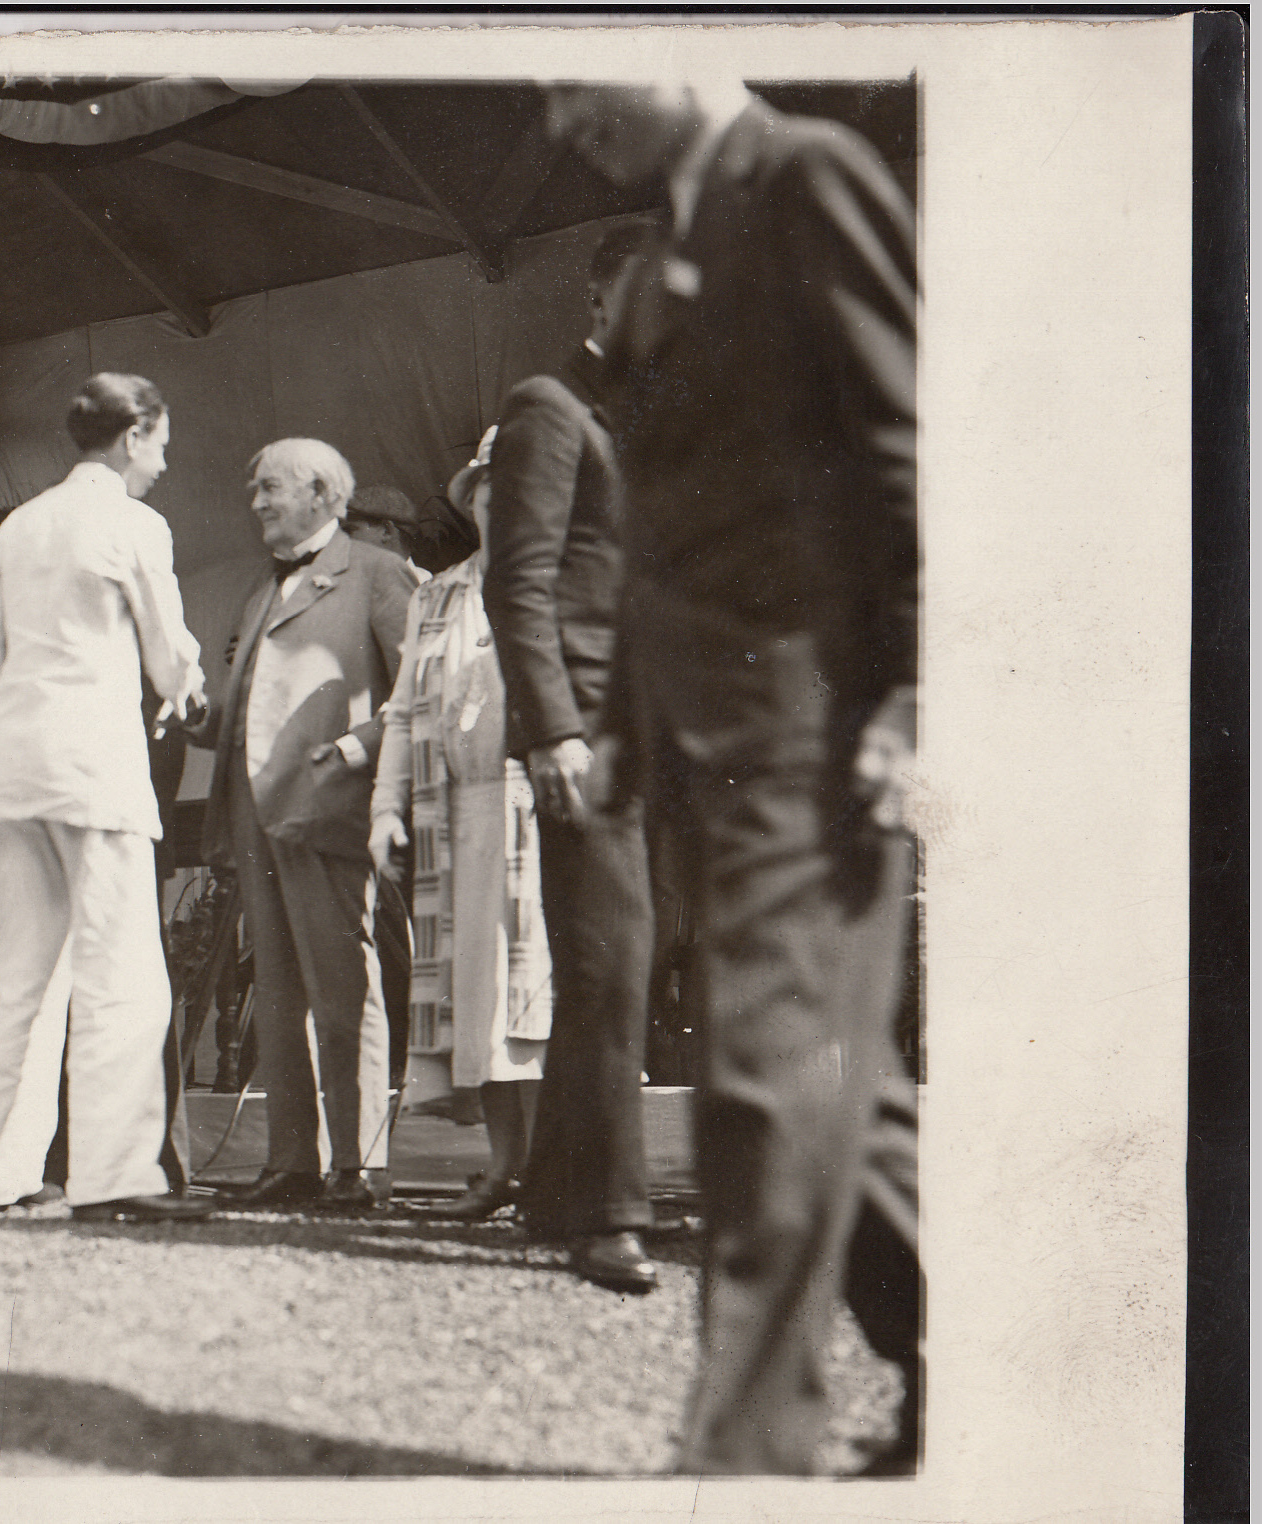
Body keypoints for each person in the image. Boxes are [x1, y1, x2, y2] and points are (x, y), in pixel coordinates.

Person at [546, 76, 921, 1474]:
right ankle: (966, 1349)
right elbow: (657, 539)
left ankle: (746, 1459)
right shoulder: (656, 266)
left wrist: (920, 687)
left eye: (574, 77)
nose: (555, 119)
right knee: (836, 1076)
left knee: (767, 1073)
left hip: (813, 722)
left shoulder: (808, 176)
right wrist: (628, 741)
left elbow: (904, 440)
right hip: (695, 741)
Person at [0, 372, 212, 1224]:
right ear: (134, 434)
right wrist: (190, 685)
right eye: (162, 442)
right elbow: (170, 656)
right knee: (123, 975)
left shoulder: (19, 527)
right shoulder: (135, 522)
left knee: (24, 978)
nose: (166, 462)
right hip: (93, 771)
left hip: (8, 772)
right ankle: (114, 1174)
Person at [480, 223, 663, 1295]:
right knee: (608, 964)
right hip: (585, 730)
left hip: (662, 731)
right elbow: (522, 583)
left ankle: (555, 1190)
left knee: (619, 960)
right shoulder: (549, 408)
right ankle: (608, 1219)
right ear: (601, 300)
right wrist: (551, 728)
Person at [195, 439, 417, 1214]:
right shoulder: (262, 590)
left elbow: (418, 697)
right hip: (258, 817)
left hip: (325, 809)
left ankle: (359, 1166)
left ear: (325, 493)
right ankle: (293, 1162)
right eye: (254, 488)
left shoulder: (380, 574)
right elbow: (247, 707)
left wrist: (351, 752)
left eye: (271, 489)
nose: (255, 502)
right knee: (282, 994)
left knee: (342, 989)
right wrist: (193, 714)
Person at [369, 447, 554, 1226]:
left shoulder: (557, 585)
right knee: (479, 1003)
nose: (494, 506)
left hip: (538, 813)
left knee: (534, 999)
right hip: (455, 813)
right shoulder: (438, 595)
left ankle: (553, 1172)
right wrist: (386, 805)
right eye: (483, 493)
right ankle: (507, 1167)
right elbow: (406, 711)